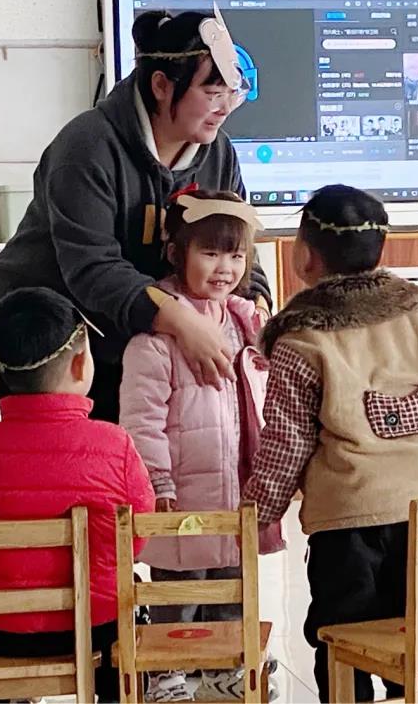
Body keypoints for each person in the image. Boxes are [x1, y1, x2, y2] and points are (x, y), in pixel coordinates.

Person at [0, 9, 270, 423]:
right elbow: (93, 268)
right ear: (161, 85)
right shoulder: (88, 147)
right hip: (54, 330)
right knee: (73, 450)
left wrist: (257, 307)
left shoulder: (218, 153)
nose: (225, 108)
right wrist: (180, 320)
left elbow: (238, 244)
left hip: (150, 326)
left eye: (233, 93)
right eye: (212, 93)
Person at [243, 185, 418, 702]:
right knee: (408, 629)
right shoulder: (416, 321)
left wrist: (255, 515)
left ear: (304, 256)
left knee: (340, 636)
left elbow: (286, 444)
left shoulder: (301, 340)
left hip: (349, 521)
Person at [0, 287, 156, 702]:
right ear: (81, 363)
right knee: (129, 609)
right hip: (95, 632)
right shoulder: (115, 445)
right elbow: (136, 537)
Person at [119, 189, 284, 702]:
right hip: (181, 496)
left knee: (233, 582)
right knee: (179, 585)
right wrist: (158, 482)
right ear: (177, 253)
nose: (224, 268)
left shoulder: (247, 327)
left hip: (235, 491)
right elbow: (141, 422)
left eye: (236, 255)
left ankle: (226, 666)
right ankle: (166, 670)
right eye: (210, 253)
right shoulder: (156, 340)